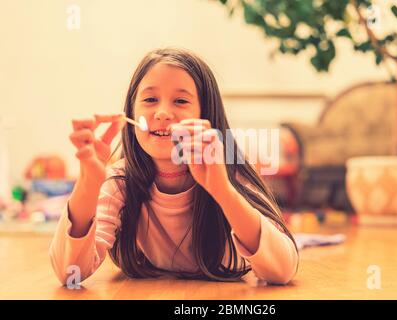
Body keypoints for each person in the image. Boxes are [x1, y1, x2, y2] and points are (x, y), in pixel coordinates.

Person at [49, 47, 299, 286]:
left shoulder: (230, 173)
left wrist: (222, 191)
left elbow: (283, 271)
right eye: (150, 99)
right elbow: (69, 274)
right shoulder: (119, 182)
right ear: (131, 113)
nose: (163, 113)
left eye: (180, 101)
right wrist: (88, 184)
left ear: (206, 115)